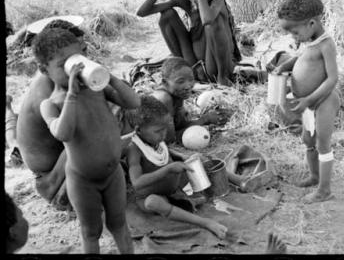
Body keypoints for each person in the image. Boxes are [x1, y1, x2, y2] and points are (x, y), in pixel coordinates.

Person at [35, 28, 140, 253]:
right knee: (91, 232)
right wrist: (72, 94)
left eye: (79, 59)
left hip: (113, 175)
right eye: (65, 65)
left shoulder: (96, 89)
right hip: (83, 182)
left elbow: (133, 102)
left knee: (120, 224)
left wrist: (110, 77)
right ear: (44, 70)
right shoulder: (52, 103)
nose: (76, 69)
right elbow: (63, 133)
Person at [124, 95, 228, 239]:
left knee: (203, 162)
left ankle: (237, 179)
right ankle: (205, 223)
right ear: (138, 130)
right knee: (152, 203)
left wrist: (182, 157)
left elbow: (165, 151)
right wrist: (168, 169)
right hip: (153, 195)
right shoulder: (134, 150)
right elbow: (137, 183)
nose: (163, 134)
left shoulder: (155, 139)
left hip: (175, 188)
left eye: (165, 129)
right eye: (158, 131)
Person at [274, 0, 341, 204]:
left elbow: (332, 79)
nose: (293, 37)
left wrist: (310, 99)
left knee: (322, 142)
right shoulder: (311, 41)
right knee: (308, 140)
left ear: (311, 23)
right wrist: (284, 66)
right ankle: (314, 176)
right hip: (309, 105)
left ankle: (324, 190)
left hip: (323, 102)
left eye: (294, 32)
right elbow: (301, 59)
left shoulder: (326, 44)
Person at [16, 20, 86, 212]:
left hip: (53, 152)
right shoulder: (47, 88)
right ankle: (55, 185)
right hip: (47, 166)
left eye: (83, 52)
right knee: (86, 136)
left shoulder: (56, 77)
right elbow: (73, 128)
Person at [136, 0, 241, 86]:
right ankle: (184, 70)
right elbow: (142, 12)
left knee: (211, 24)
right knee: (167, 15)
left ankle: (223, 78)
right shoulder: (184, 0)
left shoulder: (218, 0)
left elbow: (207, 19)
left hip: (216, 66)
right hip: (193, 65)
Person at [151, 56, 227, 143]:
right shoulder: (164, 99)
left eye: (191, 80)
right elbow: (170, 139)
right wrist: (205, 120)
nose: (188, 86)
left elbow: (180, 126)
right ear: (165, 82)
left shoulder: (177, 94)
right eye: (180, 81)